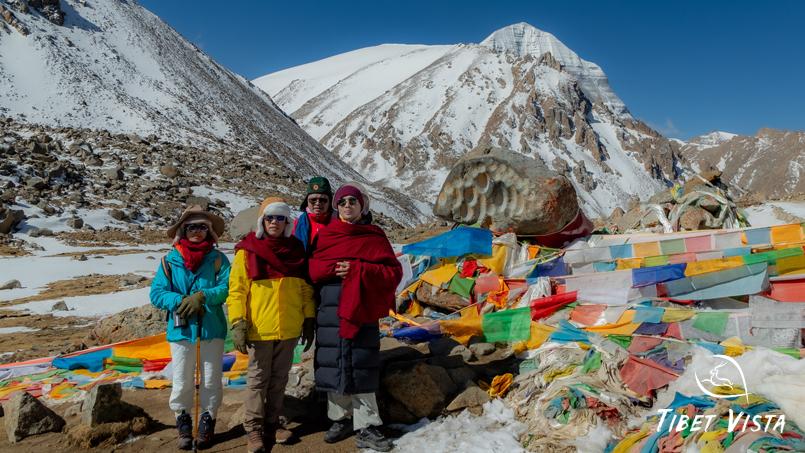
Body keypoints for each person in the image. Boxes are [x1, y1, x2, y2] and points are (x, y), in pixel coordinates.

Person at [308, 183, 402, 452]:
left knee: (362, 364)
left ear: (362, 206)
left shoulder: (373, 236)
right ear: (336, 207)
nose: (347, 206)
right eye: (342, 202)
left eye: (353, 201)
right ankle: (340, 419)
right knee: (333, 362)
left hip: (361, 308)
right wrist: (335, 270)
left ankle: (367, 425)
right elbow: (314, 269)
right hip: (330, 310)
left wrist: (358, 269)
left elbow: (392, 272)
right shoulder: (327, 236)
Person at [226, 197, 315, 452]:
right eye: (270, 217)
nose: (274, 222)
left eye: (280, 218)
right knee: (257, 380)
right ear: (262, 221)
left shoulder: (296, 250)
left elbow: (305, 290)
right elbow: (237, 291)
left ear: (287, 222)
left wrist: (308, 319)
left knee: (279, 379)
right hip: (259, 328)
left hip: (288, 328)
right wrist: (238, 322)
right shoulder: (248, 250)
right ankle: (253, 430)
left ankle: (273, 423)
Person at [150, 205, 231, 450]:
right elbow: (157, 293)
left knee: (211, 380)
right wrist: (180, 301)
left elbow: (226, 288)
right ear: (183, 230)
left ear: (210, 232)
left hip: (211, 330)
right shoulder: (169, 260)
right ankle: (183, 421)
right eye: (192, 227)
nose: (197, 231)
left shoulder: (218, 259)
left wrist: (203, 296)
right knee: (182, 380)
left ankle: (207, 420)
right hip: (182, 331)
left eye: (202, 227)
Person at [293, 176, 336, 251]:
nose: (317, 203)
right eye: (313, 200)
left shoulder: (337, 223)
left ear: (330, 202)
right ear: (307, 201)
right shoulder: (296, 224)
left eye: (322, 200)